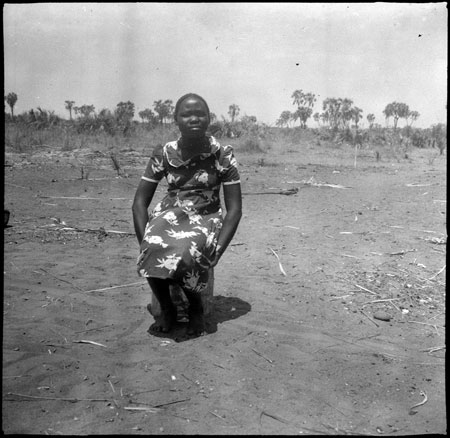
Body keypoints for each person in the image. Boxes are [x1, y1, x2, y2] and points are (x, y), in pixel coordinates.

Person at [132, 93, 242, 336]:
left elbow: (235, 210)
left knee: (186, 251)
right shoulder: (164, 153)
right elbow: (139, 203)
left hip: (206, 215)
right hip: (171, 212)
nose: (194, 119)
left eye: (200, 114)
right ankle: (168, 309)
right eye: (186, 114)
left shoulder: (221, 154)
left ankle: (195, 309)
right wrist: (144, 242)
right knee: (152, 248)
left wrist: (218, 251)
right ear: (176, 120)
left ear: (209, 118)